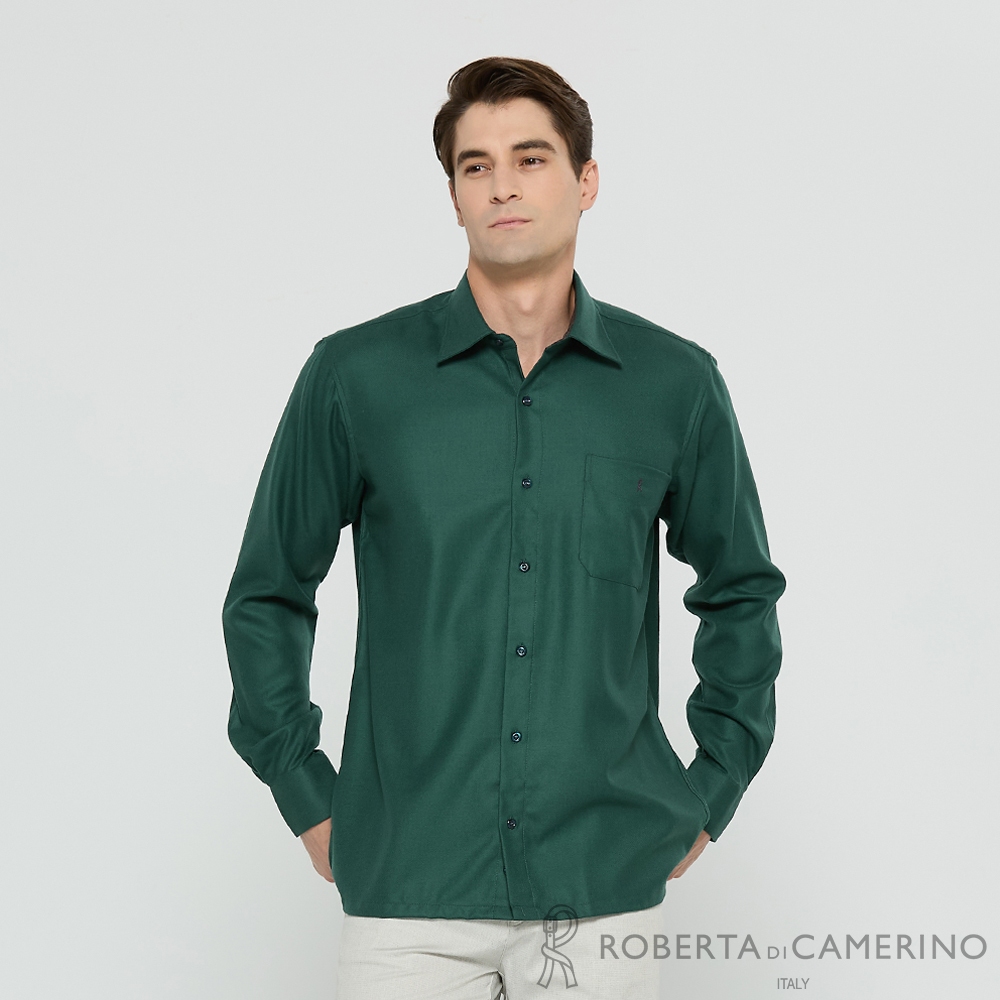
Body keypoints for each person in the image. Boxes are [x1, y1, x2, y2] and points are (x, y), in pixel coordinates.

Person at [222, 55, 785, 999]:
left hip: (601, 888)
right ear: (453, 196)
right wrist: (306, 792)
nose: (502, 186)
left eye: (531, 158)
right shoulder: (356, 377)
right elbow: (268, 592)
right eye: (475, 166)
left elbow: (741, 590)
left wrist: (713, 784)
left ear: (586, 181)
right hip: (408, 886)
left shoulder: (673, 383)